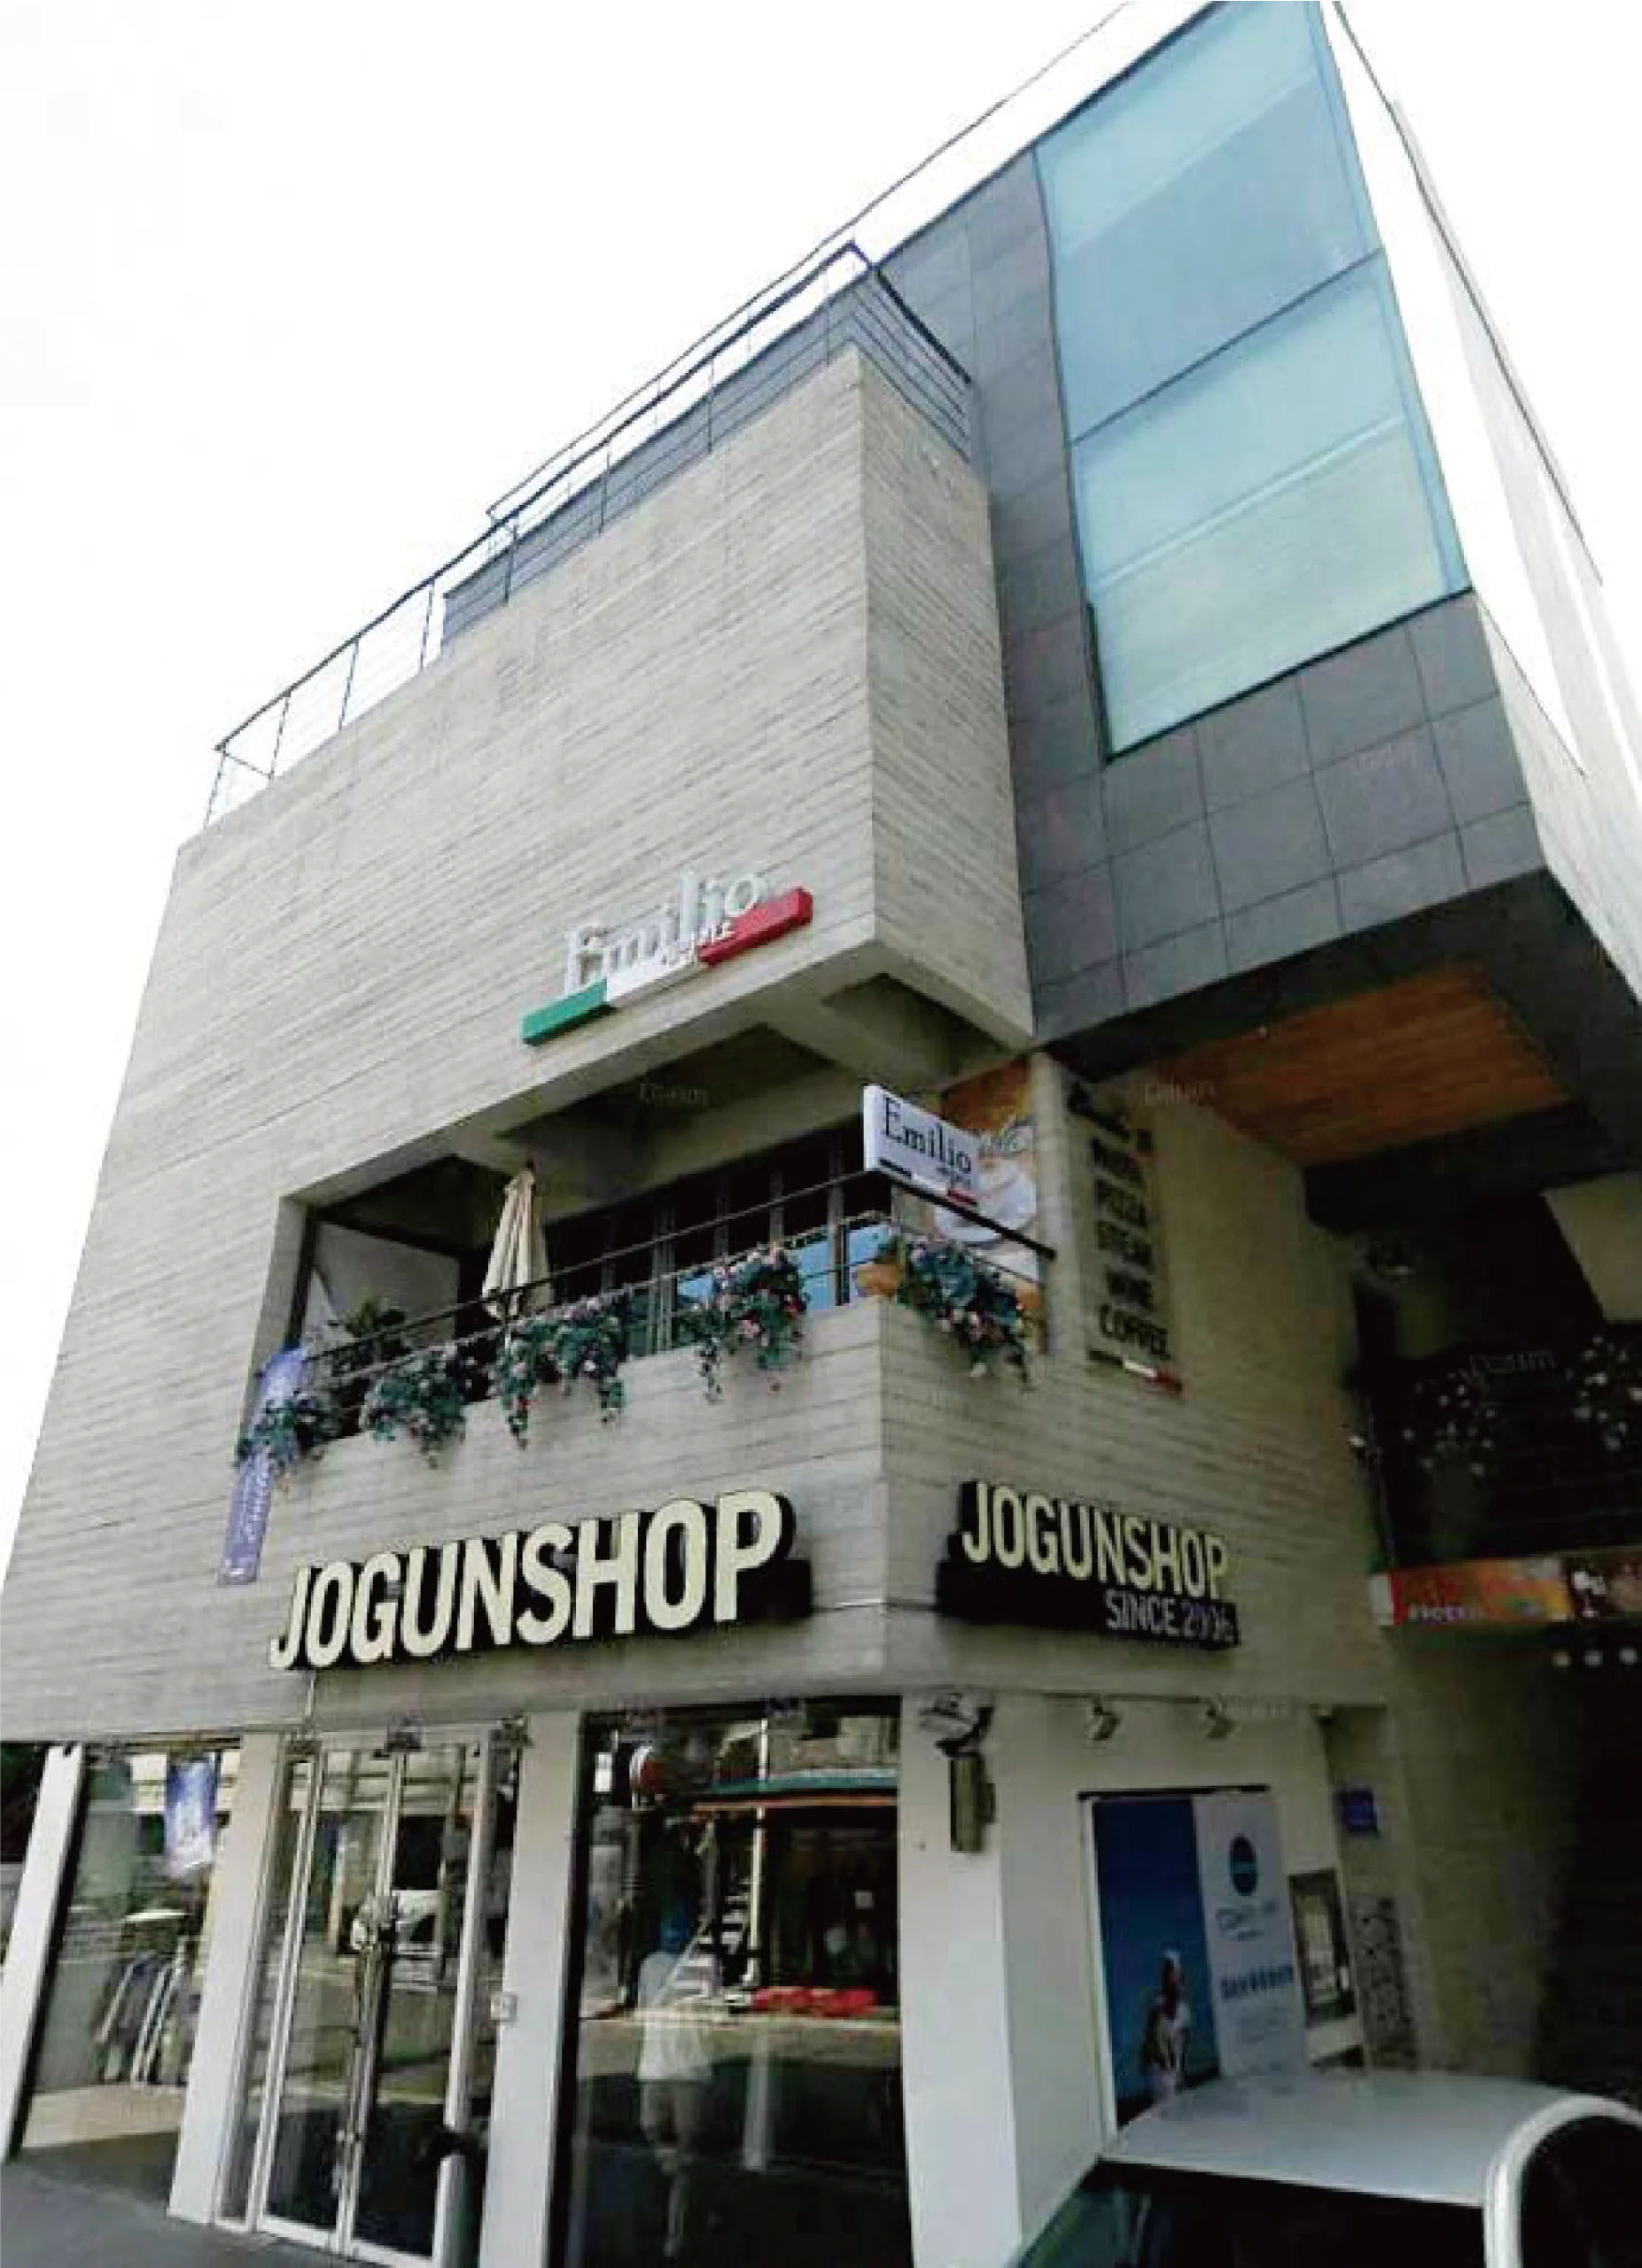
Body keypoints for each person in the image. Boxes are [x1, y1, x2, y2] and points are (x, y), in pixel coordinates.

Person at [636, 1906, 719, 2263]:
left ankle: (672, 2233)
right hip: (681, 2068)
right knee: (681, 2151)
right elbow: (715, 2016)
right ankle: (676, 2231)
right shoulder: (701, 1965)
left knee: (663, 2140)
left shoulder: (655, 1966)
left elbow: (643, 2009)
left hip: (667, 2067)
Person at [1140, 1951, 1192, 2105]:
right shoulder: (1157, 2006)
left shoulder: (1184, 2010)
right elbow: (1155, 2041)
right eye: (1171, 1975)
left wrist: (1179, 2072)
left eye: (1179, 1977)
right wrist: (1168, 2069)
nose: (1176, 1981)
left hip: (1174, 2073)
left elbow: (1182, 2044)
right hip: (1160, 2072)